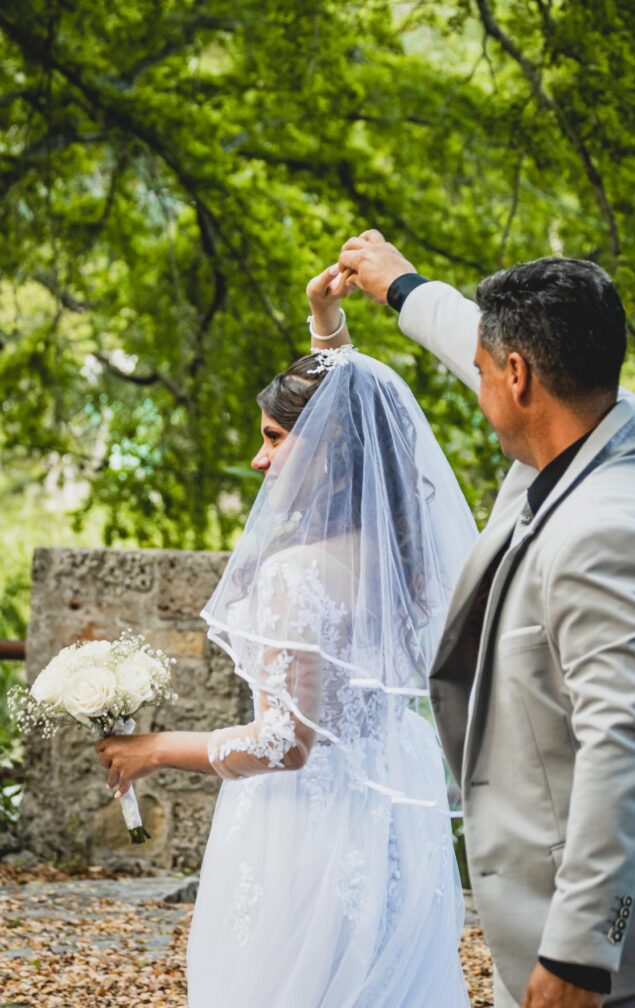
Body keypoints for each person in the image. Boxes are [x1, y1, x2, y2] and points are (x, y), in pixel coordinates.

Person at [96, 267, 478, 1006]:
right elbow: (349, 408)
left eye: (273, 438)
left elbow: (285, 743)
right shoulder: (400, 560)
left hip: (309, 827)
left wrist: (155, 750)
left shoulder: (296, 575)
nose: (259, 457)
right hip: (390, 806)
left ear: (324, 451)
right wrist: (323, 320)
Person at [335, 231, 635, 1008]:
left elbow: (622, 746)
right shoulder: (610, 420)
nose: (480, 376)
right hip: (531, 934)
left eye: (490, 370)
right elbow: (479, 343)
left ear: (519, 376)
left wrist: (578, 956)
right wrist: (401, 286)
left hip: (602, 970)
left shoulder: (609, 533)